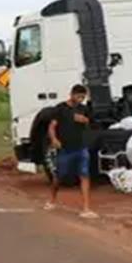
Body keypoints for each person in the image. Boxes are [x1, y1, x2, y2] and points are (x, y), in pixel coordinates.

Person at [47, 84, 97, 218]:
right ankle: (52, 199)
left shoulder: (84, 109)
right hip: (65, 148)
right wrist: (54, 139)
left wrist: (85, 120)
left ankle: (86, 208)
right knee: (60, 176)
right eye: (79, 96)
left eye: (83, 97)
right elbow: (52, 126)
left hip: (81, 147)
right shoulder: (61, 108)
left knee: (84, 174)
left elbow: (92, 123)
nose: (81, 99)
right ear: (72, 95)